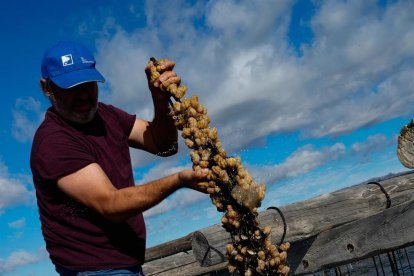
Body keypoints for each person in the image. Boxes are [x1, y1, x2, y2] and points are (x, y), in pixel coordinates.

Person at [30, 41, 208, 276]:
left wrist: (160, 99)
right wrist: (179, 180)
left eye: (87, 85)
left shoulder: (107, 115)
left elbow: (163, 144)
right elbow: (110, 204)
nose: (83, 96)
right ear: (46, 88)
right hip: (94, 269)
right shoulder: (53, 142)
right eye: (70, 88)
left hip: (127, 263)